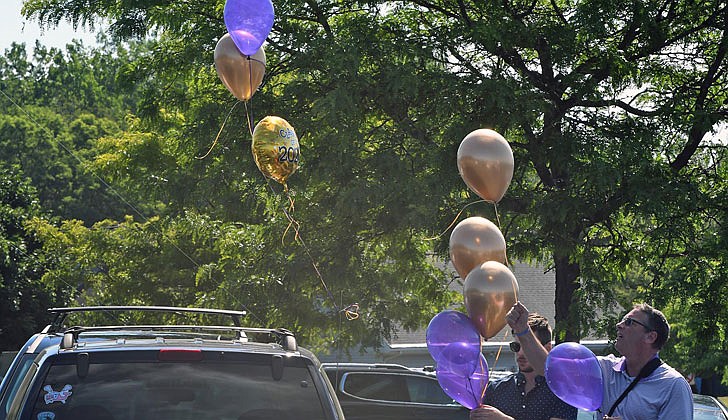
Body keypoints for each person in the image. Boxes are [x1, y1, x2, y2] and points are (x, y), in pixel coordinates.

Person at [504, 302, 694, 420]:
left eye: (629, 322)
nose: (619, 325)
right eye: (621, 320)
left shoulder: (673, 385)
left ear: (650, 337)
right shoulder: (604, 369)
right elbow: (551, 370)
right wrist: (523, 330)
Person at [470, 311, 577, 420]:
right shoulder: (496, 389)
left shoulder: (560, 391)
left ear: (547, 348)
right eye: (516, 346)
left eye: (526, 347)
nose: (520, 353)